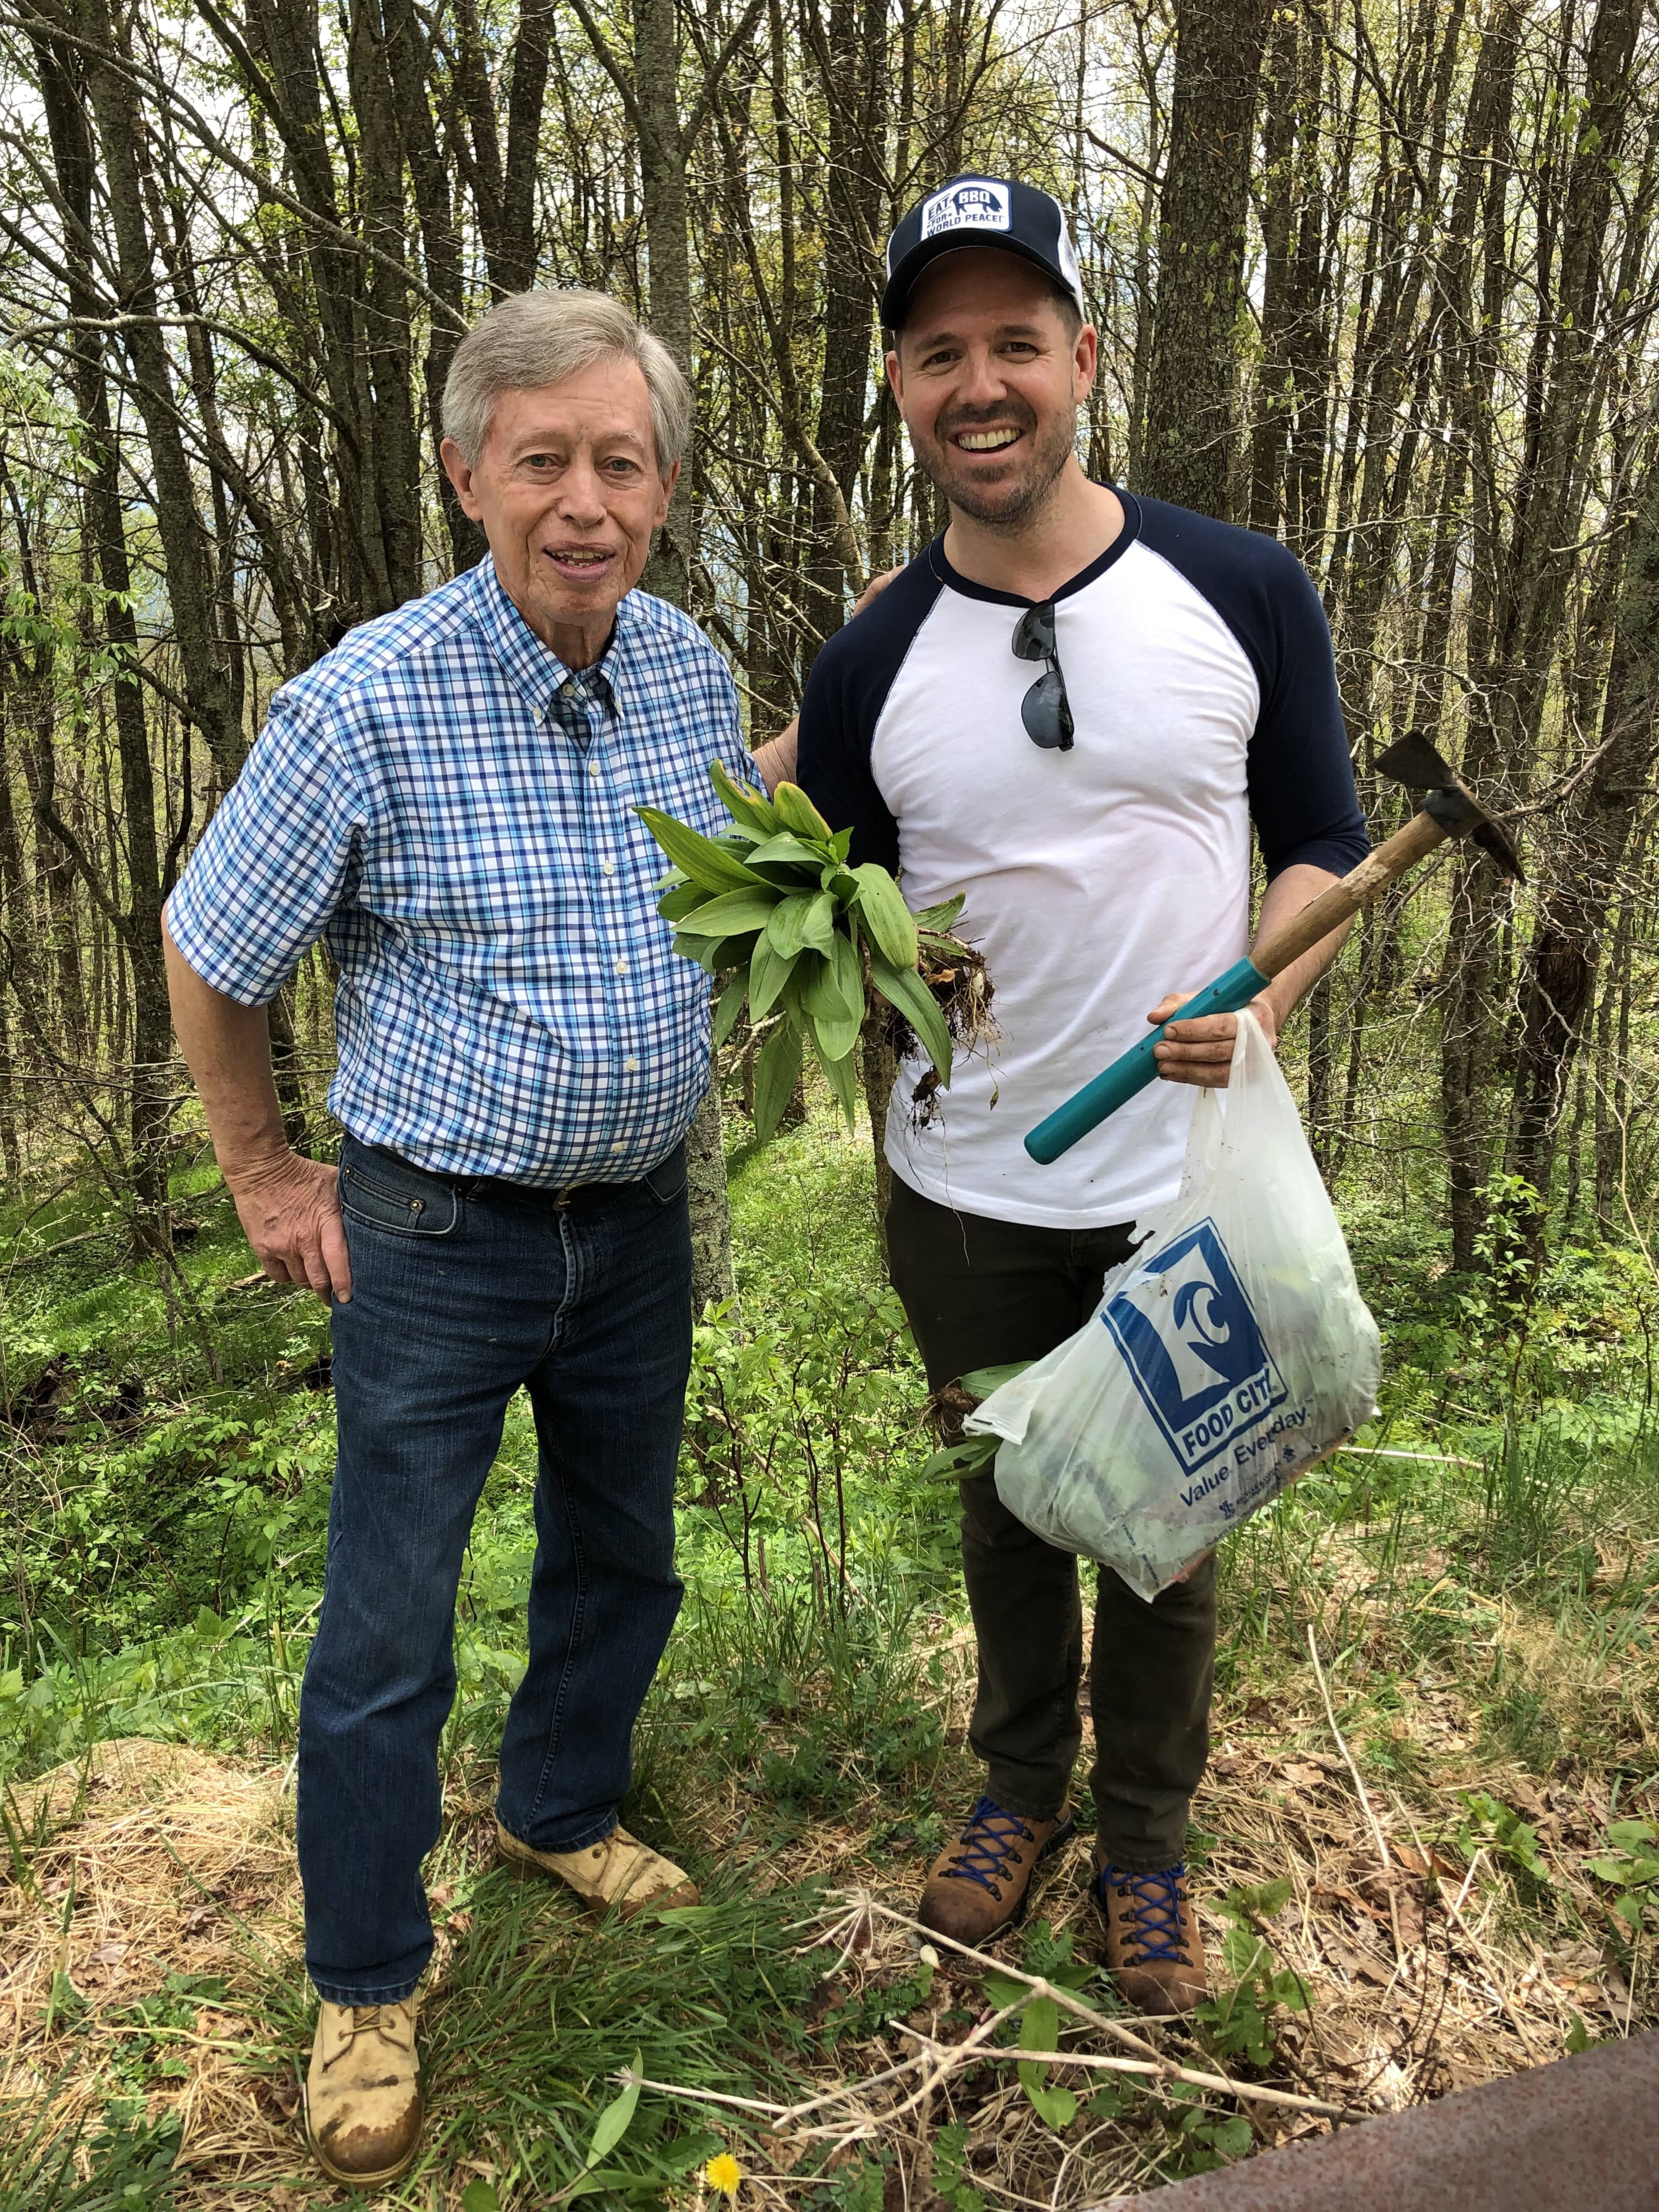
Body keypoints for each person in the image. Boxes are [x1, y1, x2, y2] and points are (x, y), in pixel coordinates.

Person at [163, 290, 762, 2184]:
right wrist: (268, 1175)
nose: (584, 501)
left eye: (622, 461)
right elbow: (210, 946)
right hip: (431, 1233)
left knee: (621, 1553)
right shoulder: (364, 700)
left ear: (662, 486)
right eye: (544, 460)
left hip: (638, 1225)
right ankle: (362, 1972)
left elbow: (746, 862)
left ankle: (559, 1805)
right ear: (465, 472)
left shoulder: (682, 668)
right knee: (388, 1622)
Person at [793, 176, 1369, 2012]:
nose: (983, 383)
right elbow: (837, 899)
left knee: (1169, 1511)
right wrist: (895, 974)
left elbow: (1327, 845)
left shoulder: (1242, 586)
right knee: (1011, 1500)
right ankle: (1014, 1788)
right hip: (966, 1182)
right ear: (899, 382)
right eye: (941, 349)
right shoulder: (871, 656)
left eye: (1015, 344)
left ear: (1082, 361)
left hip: (1175, 1174)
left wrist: (1270, 977)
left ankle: (1145, 1845)